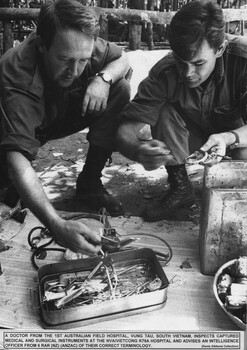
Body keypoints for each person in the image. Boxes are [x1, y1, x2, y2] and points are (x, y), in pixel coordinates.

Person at [0, 0, 130, 254]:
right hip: (12, 125)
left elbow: (122, 59)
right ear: (42, 45)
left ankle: (90, 184)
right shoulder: (17, 73)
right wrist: (56, 224)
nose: (75, 70)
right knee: (9, 185)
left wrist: (103, 79)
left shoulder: (78, 41)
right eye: (65, 60)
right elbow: (17, 155)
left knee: (120, 87)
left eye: (83, 60)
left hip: (58, 114)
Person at [117, 0, 247, 222]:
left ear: (220, 49)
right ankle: (180, 188)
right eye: (180, 61)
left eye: (198, 64)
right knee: (164, 112)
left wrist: (228, 138)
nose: (187, 73)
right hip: (190, 136)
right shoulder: (163, 73)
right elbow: (125, 131)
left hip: (236, 136)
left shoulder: (244, 62)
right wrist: (137, 150)